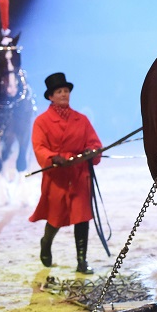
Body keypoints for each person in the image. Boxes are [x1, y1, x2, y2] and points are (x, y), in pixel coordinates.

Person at [29, 72, 102, 274]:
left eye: (66, 91)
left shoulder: (82, 120)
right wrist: (53, 158)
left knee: (82, 217)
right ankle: (46, 242)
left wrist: (91, 152)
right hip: (57, 178)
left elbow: (95, 143)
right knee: (55, 218)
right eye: (59, 91)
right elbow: (39, 146)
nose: (64, 94)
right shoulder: (42, 122)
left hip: (79, 176)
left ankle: (81, 260)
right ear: (51, 96)